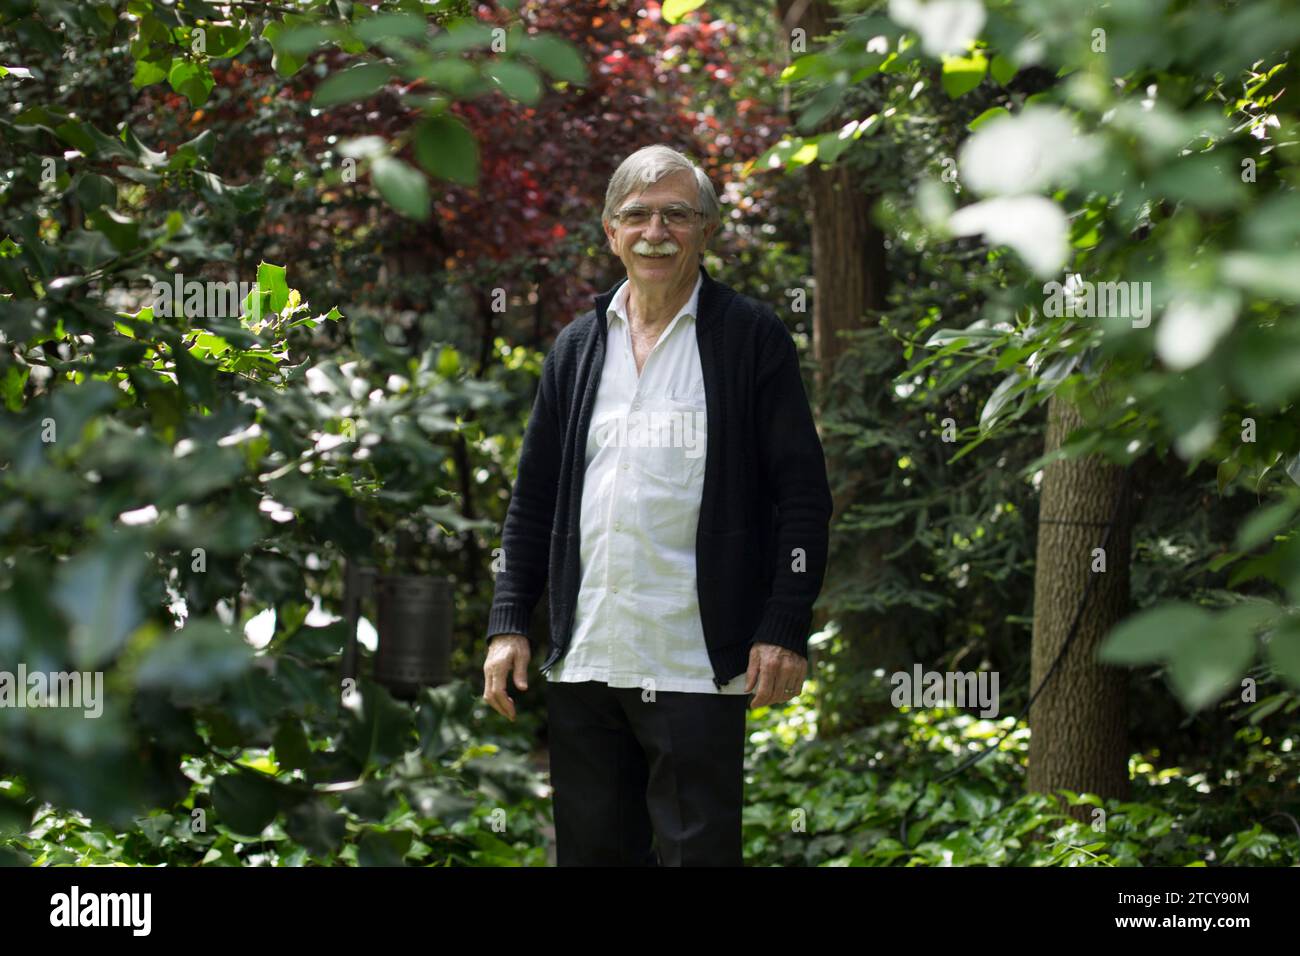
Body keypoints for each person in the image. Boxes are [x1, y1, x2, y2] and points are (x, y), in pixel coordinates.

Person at [482, 144, 832, 866]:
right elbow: (534, 498)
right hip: (587, 660)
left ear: (706, 230)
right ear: (610, 232)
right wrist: (509, 621)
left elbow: (802, 495)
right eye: (637, 215)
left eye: (677, 214)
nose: (656, 231)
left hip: (692, 662)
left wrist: (785, 623)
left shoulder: (749, 338)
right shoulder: (577, 346)